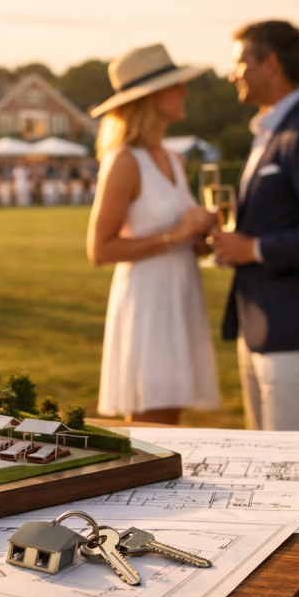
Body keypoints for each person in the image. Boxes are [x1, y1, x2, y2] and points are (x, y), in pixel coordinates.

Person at [212, 20, 299, 431]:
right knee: (262, 459)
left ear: (270, 63)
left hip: (295, 330)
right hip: (259, 323)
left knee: (290, 464)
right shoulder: (269, 132)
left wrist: (254, 249)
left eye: (241, 61)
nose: (232, 72)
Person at [87, 43, 219, 425]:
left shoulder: (175, 159)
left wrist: (200, 236)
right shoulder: (124, 161)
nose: (184, 92)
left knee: (171, 417)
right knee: (151, 426)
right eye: (175, 86)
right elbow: (99, 249)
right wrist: (174, 235)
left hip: (179, 293)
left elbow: (182, 234)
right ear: (149, 99)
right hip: (148, 302)